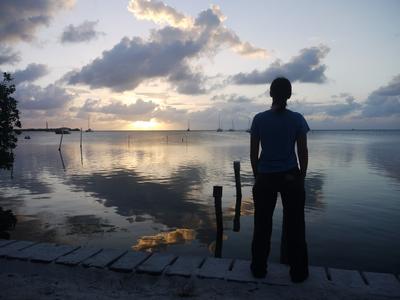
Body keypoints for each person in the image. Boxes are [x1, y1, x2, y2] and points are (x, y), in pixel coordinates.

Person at [250, 77, 309, 283]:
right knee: (295, 226)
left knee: (262, 225)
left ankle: (258, 269)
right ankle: (299, 272)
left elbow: (253, 153)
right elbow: (302, 151)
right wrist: (302, 176)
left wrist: (258, 176)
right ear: (290, 95)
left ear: (270, 94)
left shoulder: (259, 119)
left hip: (265, 176)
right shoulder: (297, 119)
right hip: (291, 176)